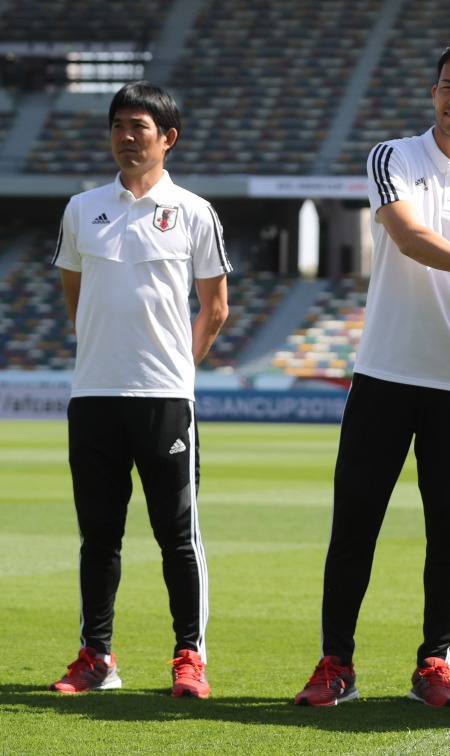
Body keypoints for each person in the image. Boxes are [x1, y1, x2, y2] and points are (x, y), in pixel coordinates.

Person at [293, 37, 450, 708]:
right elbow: (409, 237)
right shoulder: (393, 156)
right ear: (434, 93)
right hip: (386, 372)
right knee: (356, 526)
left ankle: (435, 664)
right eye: (447, 86)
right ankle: (334, 664)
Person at [49, 81, 231, 698]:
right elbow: (74, 294)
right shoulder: (81, 208)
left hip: (164, 400)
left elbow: (215, 307)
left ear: (167, 139)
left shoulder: (195, 211)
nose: (127, 137)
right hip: (94, 396)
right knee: (98, 536)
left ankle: (189, 657)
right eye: (119, 126)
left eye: (140, 128)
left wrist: (179, 369)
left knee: (178, 538)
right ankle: (96, 657)